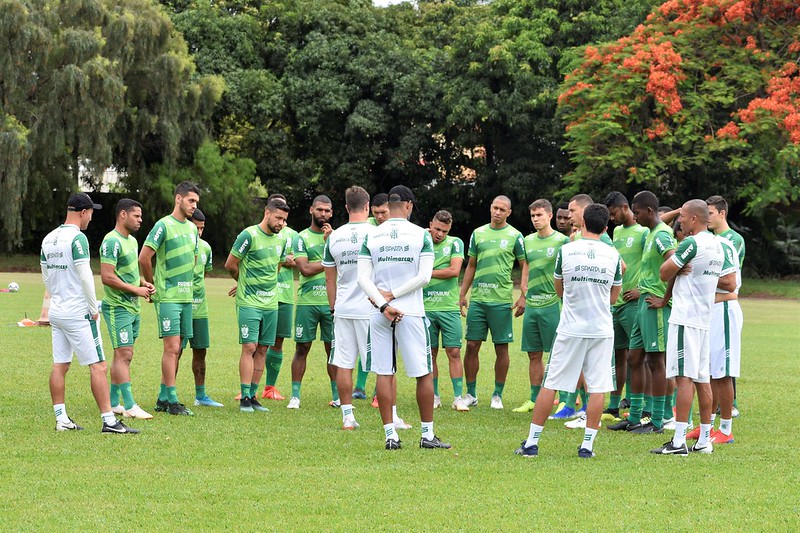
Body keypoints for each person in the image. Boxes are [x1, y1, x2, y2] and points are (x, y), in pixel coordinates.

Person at [515, 204, 622, 458]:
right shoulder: (613, 255)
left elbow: (559, 290)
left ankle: (532, 443)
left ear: (582, 222)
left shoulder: (567, 251)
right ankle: (587, 446)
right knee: (597, 387)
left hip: (571, 327)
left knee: (550, 383)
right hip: (601, 329)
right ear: (606, 228)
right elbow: (613, 298)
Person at [357, 185, 450, 450]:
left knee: (384, 372)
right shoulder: (421, 235)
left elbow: (363, 278)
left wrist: (384, 303)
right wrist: (395, 295)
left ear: (390, 203)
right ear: (408, 205)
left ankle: (390, 436)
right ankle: (427, 435)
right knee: (424, 373)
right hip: (412, 311)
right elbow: (425, 276)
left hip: (379, 311)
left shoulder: (373, 235)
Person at [42, 192, 138, 434]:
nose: (91, 219)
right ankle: (109, 420)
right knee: (99, 366)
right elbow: (85, 275)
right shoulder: (78, 239)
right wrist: (93, 307)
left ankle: (61, 419)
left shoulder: (49, 239)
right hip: (78, 312)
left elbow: (46, 276)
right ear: (83, 212)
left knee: (60, 364)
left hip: (57, 310)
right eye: (91, 213)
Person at [651, 200, 733, 455]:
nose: (680, 221)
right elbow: (729, 281)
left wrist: (679, 267)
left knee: (683, 378)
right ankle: (705, 439)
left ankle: (678, 441)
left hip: (685, 318)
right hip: (704, 319)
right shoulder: (718, 245)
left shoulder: (691, 243)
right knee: (701, 379)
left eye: (683, 217)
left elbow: (664, 273)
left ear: (694, 219)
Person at [609, 191, 676, 434]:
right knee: (634, 357)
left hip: (653, 305)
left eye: (637, 212)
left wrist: (666, 299)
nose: (634, 217)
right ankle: (635, 416)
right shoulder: (650, 233)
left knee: (656, 361)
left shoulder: (661, 236)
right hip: (642, 305)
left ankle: (658, 420)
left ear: (648, 211)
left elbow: (677, 263)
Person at [139, 181, 201, 416]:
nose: (194, 206)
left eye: (196, 202)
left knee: (180, 348)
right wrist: (151, 283)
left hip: (187, 298)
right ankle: (173, 401)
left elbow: (194, 259)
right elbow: (144, 257)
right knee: (172, 348)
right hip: (168, 298)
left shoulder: (192, 230)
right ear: (178, 199)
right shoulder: (163, 225)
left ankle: (163, 397)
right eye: (191, 200)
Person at [459, 195, 526, 409]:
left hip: (501, 301)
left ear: (509, 212)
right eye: (495, 207)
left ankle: (497, 394)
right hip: (478, 299)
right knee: (471, 345)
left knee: (501, 348)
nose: (497, 212)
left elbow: (525, 265)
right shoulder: (478, 233)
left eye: (502, 209)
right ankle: (471, 393)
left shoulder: (515, 236)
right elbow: (471, 265)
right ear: (490, 207)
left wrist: (523, 294)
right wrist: (463, 293)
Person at [225, 198, 290, 413]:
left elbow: (277, 267)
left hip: (271, 303)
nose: (281, 223)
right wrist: (242, 283)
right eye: (278, 218)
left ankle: (253, 395)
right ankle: (244, 396)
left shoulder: (282, 240)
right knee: (249, 347)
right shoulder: (249, 235)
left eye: (284, 220)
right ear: (267, 213)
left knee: (263, 348)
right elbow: (230, 265)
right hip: (249, 302)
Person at [323, 186, 375, 429]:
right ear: (367, 207)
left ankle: (347, 417)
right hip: (371, 308)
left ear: (345, 208)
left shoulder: (334, 236)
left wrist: (334, 308)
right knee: (385, 365)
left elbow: (329, 278)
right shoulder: (376, 234)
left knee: (344, 363)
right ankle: (393, 416)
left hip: (343, 308)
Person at [100, 199, 155, 420]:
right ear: (123, 215)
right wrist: (134, 289)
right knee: (125, 354)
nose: (140, 220)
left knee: (122, 355)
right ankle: (130, 405)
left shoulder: (132, 241)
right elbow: (107, 276)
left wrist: (143, 283)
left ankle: (113, 403)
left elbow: (129, 273)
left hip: (132, 307)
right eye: (137, 216)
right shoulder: (111, 241)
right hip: (117, 307)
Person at [512, 200, 570, 414]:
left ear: (550, 216)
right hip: (533, 306)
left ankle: (565, 399)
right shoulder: (527, 241)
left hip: (553, 305)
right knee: (533, 355)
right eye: (533, 215)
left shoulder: (562, 241)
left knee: (558, 354)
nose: (536, 219)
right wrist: (523, 292)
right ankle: (534, 398)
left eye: (539, 215)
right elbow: (526, 266)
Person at [685, 237, 741, 444]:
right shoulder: (702, 245)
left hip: (723, 310)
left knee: (722, 372)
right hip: (708, 311)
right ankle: (706, 425)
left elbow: (730, 283)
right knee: (707, 371)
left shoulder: (722, 245)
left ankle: (726, 430)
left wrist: (698, 274)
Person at [602, 192, 648, 423]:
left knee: (637, 356)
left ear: (624, 207)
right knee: (617, 355)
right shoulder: (616, 232)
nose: (611, 219)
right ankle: (613, 404)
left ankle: (639, 403)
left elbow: (651, 263)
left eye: (613, 213)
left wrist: (642, 290)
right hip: (616, 303)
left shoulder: (643, 232)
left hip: (633, 303)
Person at [288, 196, 337, 409]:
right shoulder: (301, 238)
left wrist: (331, 245)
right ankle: (295, 396)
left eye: (327, 211)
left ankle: (337, 397)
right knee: (302, 347)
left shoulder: (337, 238)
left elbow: (344, 266)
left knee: (333, 350)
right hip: (307, 302)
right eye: (319, 210)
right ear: (311, 210)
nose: (323, 214)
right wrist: (329, 259)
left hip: (331, 302)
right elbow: (304, 269)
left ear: (332, 213)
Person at [424, 210, 468, 411]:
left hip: (449, 308)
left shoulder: (455, 243)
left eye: (444, 230)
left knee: (454, 352)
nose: (440, 234)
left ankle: (458, 397)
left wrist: (425, 273)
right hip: (425, 308)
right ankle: (434, 396)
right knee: (430, 353)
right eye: (437, 229)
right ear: (430, 224)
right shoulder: (421, 242)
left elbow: (454, 271)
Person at [179, 209, 223, 408]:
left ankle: (201, 395)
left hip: (200, 309)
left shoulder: (206, 248)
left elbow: (203, 276)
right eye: (196, 227)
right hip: (180, 305)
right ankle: (168, 393)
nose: (199, 232)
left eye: (202, 228)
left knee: (200, 352)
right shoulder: (179, 244)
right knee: (175, 351)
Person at [706, 195, 745, 417]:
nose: (707, 218)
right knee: (711, 366)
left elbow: (730, 281)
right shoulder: (709, 239)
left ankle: (730, 407)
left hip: (724, 305)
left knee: (724, 363)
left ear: (722, 213)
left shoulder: (733, 240)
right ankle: (709, 421)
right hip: (710, 309)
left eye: (710, 213)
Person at [266, 194, 296, 401]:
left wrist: (280, 258)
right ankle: (248, 388)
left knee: (277, 343)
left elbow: (296, 260)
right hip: (261, 294)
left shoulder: (292, 235)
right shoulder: (257, 233)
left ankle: (270, 387)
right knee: (255, 343)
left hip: (284, 293)